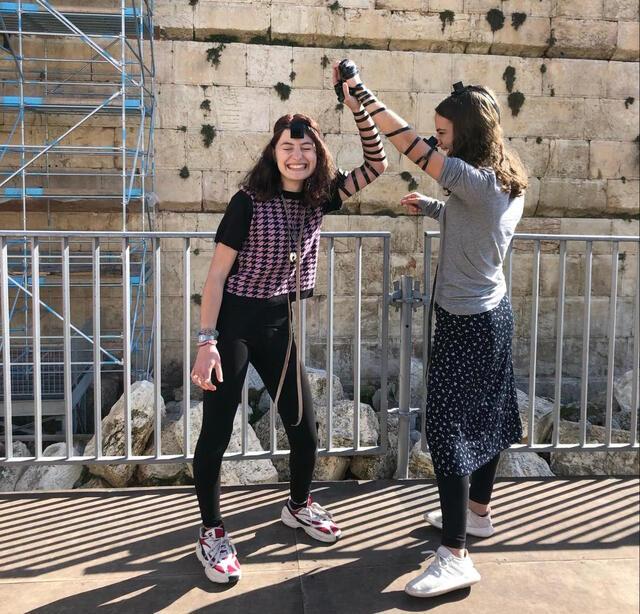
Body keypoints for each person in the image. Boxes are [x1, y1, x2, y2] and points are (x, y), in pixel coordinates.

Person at [189, 62, 388, 584]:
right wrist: (206, 342)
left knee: (304, 428)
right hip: (232, 324)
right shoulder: (247, 203)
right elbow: (214, 279)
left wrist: (358, 106)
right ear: (273, 153)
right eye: (287, 147)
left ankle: (298, 504)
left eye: (306, 149)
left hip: (277, 321)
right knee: (215, 432)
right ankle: (211, 533)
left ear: (317, 154)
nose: (297, 155)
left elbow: (377, 163)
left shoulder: (321, 199)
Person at [340, 66, 527, 597]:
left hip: (467, 323)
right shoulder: (505, 180)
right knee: (487, 420)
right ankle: (477, 515)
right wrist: (435, 207)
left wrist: (363, 95)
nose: (436, 141)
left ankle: (455, 556)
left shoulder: (477, 180)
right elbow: (479, 221)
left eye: (445, 134)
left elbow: (409, 147)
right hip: (493, 315)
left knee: (447, 432)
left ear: (465, 135)